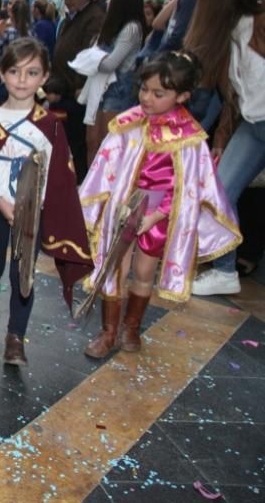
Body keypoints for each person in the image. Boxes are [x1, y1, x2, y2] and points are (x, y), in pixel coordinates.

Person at [80, 51, 240, 358]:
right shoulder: (129, 125)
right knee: (115, 266)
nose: (147, 98)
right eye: (144, 89)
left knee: (143, 272)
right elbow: (108, 165)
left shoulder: (188, 138)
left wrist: (155, 216)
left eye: (158, 93)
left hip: (158, 215)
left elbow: (187, 186)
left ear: (182, 96)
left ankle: (131, 327)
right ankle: (108, 332)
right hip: (125, 209)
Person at [0, 38, 91, 366]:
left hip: (32, 212)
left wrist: (31, 206)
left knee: (23, 273)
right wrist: (1, 199)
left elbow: (59, 176)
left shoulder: (50, 125)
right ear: (2, 74)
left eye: (31, 73)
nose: (21, 79)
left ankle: (16, 336)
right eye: (14, 71)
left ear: (44, 77)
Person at [188, 0, 265, 296]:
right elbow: (232, 99)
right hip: (251, 126)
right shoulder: (226, 39)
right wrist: (221, 140)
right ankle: (224, 271)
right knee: (219, 194)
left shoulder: (260, 25)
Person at [81, 0, 145, 162]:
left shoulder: (132, 28)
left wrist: (89, 61)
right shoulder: (111, 27)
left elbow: (111, 64)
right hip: (100, 88)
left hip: (117, 90)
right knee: (92, 142)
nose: (108, 2)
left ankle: (106, 187)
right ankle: (90, 186)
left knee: (108, 145)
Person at [53, 0, 105, 181]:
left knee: (78, 139)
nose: (68, 1)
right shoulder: (72, 17)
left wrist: (80, 85)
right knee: (67, 137)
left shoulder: (95, 17)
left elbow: (89, 54)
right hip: (64, 85)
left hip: (78, 89)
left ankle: (79, 180)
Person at [0, 0, 31, 111]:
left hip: (2, 75)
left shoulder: (9, 32)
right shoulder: (31, 33)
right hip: (20, 74)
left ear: (13, 15)